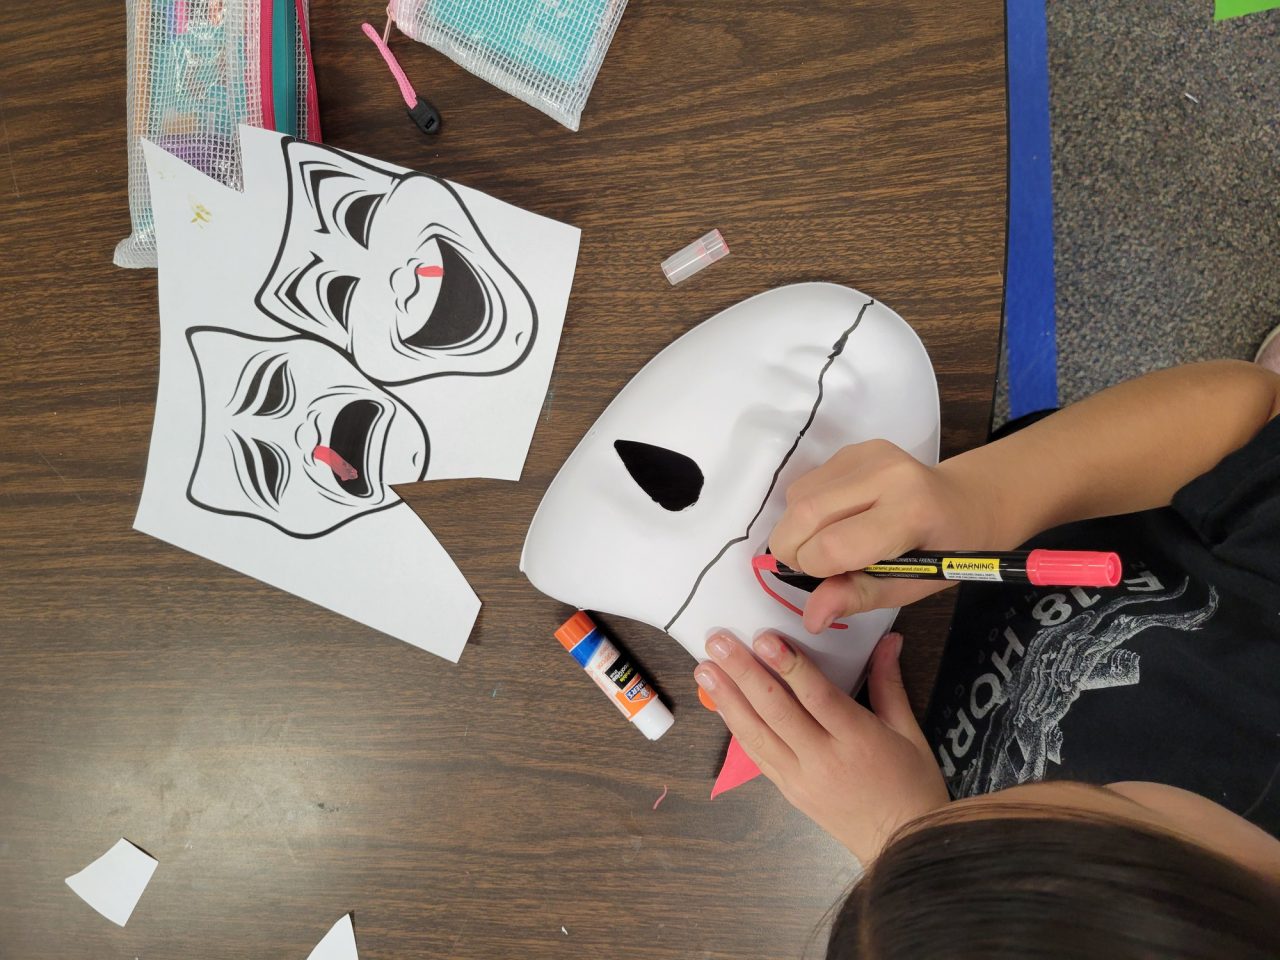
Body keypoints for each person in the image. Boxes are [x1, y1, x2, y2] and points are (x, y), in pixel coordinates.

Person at [691, 358, 1280, 958]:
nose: (983, 810)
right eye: (1109, 798)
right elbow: (1256, 405)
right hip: (1124, 481)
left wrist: (904, 835)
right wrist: (990, 493)